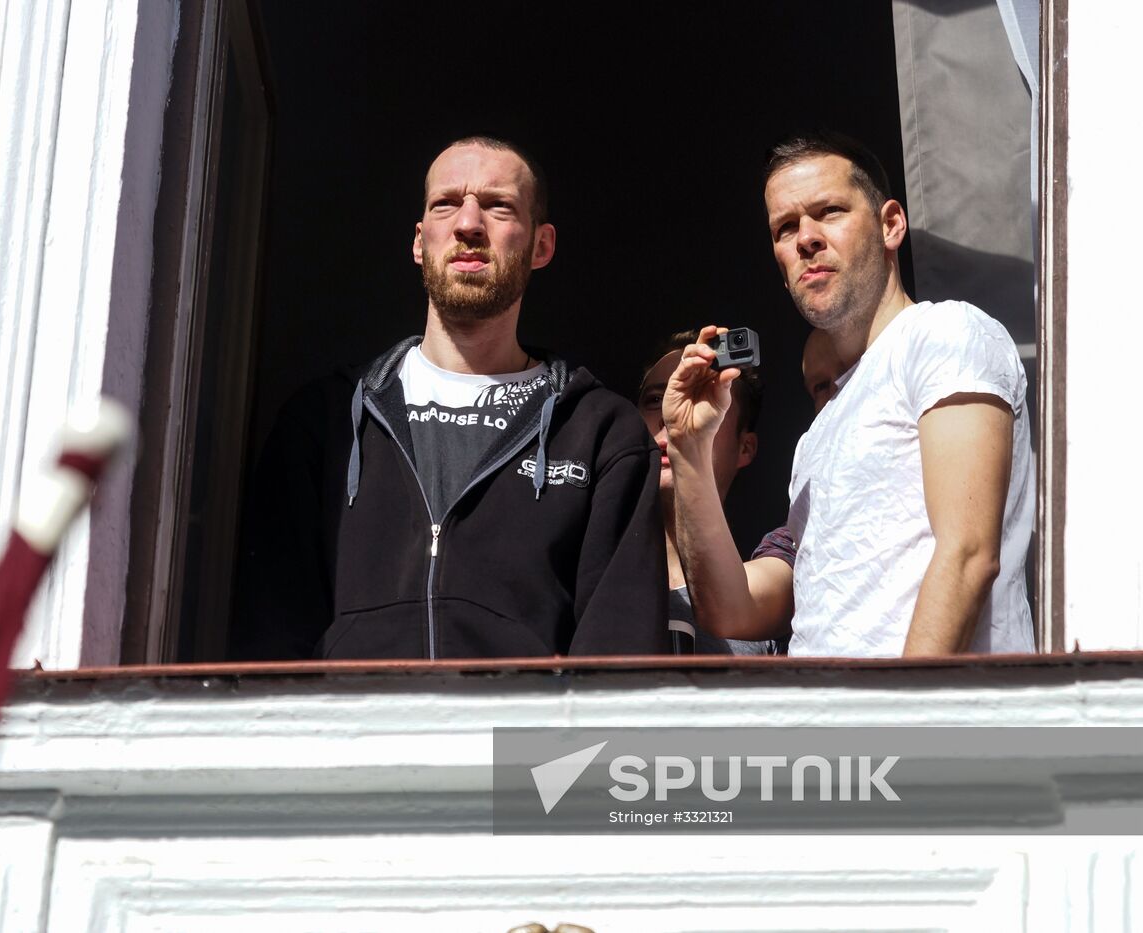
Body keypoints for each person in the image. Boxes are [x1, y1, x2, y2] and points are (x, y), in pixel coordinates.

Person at [231, 136, 667, 660]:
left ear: (541, 245)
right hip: (352, 738)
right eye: (446, 204)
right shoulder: (322, 421)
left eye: (498, 205)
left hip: (515, 742)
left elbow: (618, 658)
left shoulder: (602, 432)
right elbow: (270, 639)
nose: (468, 224)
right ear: (420, 242)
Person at [663, 131, 1035, 656]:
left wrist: (897, 724)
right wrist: (688, 448)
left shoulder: (944, 331)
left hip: (932, 727)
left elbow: (969, 554)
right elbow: (731, 610)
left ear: (890, 224)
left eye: (829, 211)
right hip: (833, 728)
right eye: (785, 228)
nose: (805, 238)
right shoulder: (819, 433)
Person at [638, 330, 782, 654]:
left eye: (701, 394)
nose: (672, 412)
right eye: (654, 400)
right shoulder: (586, 579)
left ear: (746, 448)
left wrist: (690, 446)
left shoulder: (770, 599)